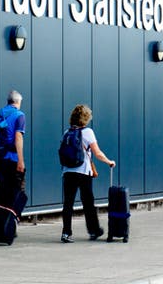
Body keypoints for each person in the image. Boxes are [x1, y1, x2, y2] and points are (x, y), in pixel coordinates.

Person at [60, 104, 115, 243]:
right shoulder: (88, 132)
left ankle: (66, 233)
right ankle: (94, 230)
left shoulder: (67, 132)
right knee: (88, 203)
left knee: (68, 203)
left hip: (68, 172)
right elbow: (97, 153)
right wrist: (109, 162)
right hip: (83, 172)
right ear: (85, 118)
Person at [0, 90, 26, 198]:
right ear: (18, 101)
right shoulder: (19, 115)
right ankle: (15, 215)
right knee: (17, 194)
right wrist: (20, 161)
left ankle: (2, 215)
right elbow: (18, 137)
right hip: (11, 160)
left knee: (2, 193)